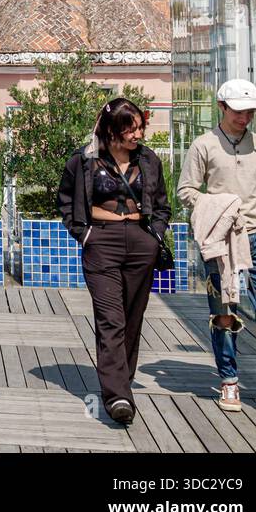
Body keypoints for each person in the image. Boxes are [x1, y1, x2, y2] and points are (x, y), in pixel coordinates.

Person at [177, 79, 256, 419]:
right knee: (224, 312)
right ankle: (228, 380)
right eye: (240, 111)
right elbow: (186, 190)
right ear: (222, 107)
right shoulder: (203, 145)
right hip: (221, 238)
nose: (246, 117)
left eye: (251, 111)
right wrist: (217, 207)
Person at [58, 98, 170, 425]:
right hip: (101, 242)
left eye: (140, 127)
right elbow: (66, 202)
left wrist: (155, 237)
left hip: (140, 242)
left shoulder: (149, 160)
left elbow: (162, 205)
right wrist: (85, 235)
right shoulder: (84, 160)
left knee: (133, 318)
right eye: (130, 128)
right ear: (112, 130)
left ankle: (121, 379)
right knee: (111, 318)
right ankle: (117, 396)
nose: (137, 134)